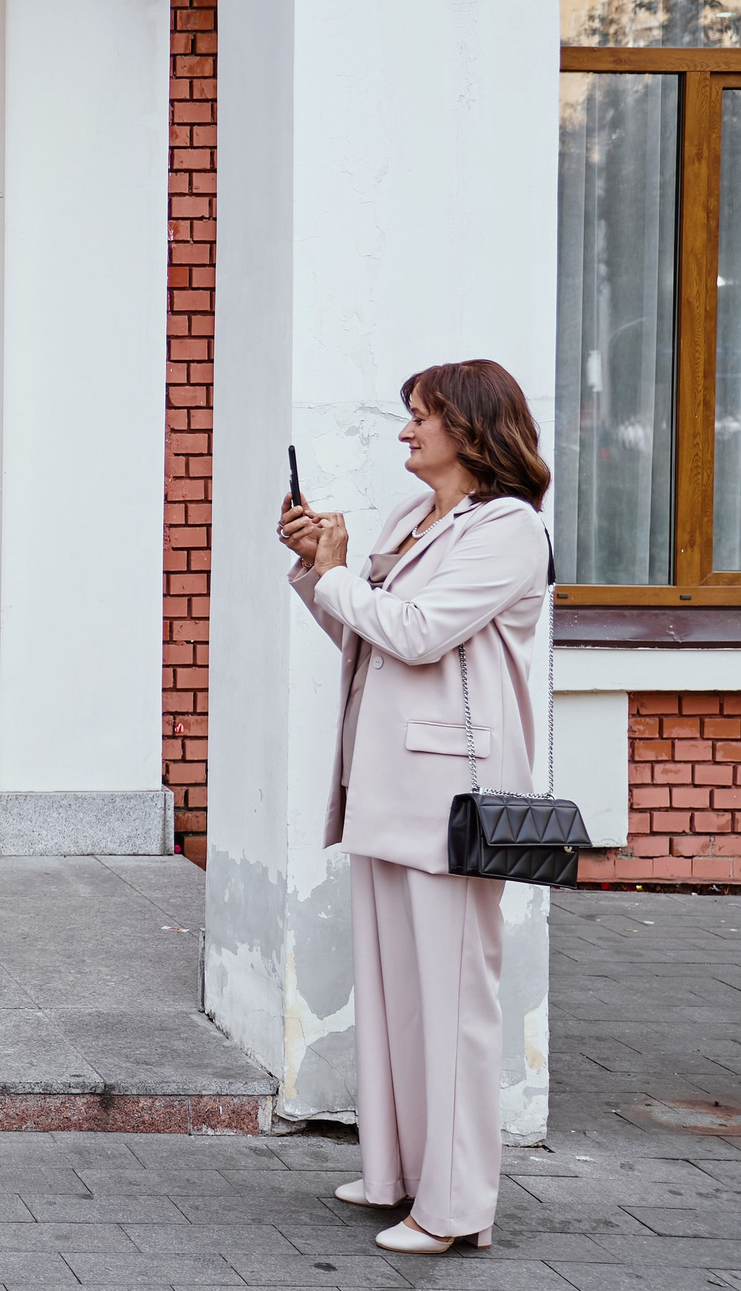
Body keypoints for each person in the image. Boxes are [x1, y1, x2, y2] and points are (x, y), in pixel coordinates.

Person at [279, 360, 550, 1256]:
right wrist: (315, 573)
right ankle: (395, 1173)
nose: (405, 432)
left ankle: (457, 1206)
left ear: (470, 430)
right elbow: (366, 640)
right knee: (394, 992)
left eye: (421, 418)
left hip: (453, 796)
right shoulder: (411, 519)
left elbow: (421, 631)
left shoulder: (508, 530)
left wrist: (341, 570)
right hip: (385, 781)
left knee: (455, 1002)